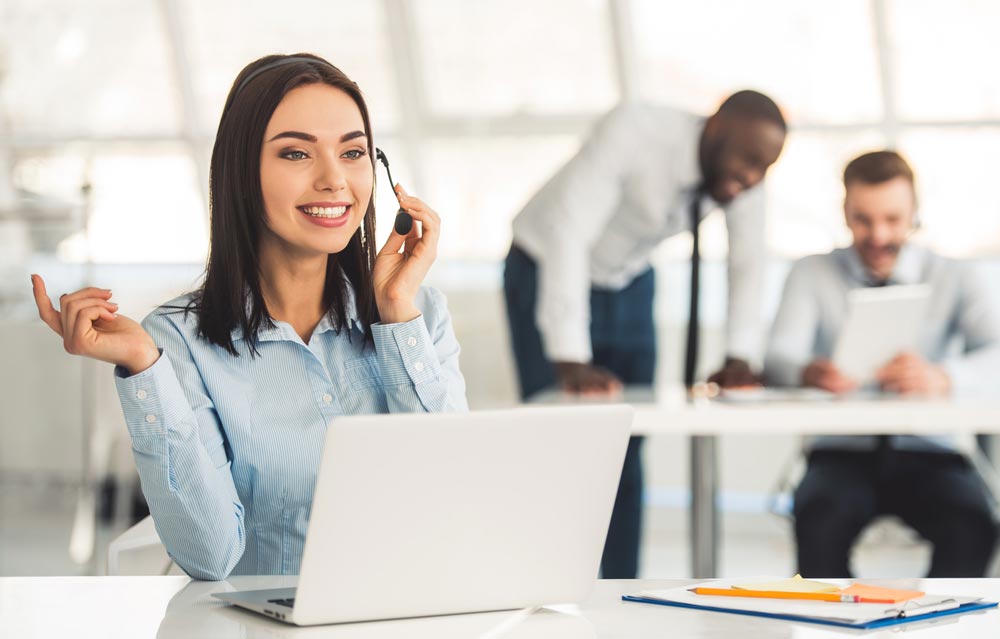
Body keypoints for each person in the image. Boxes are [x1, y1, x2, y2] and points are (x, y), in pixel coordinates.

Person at [30, 54, 467, 580]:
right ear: (241, 172)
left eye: (352, 152)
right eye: (296, 153)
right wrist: (146, 368)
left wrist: (397, 316)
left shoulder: (421, 314)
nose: (334, 180)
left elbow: (452, 502)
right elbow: (211, 555)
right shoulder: (178, 342)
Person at [504, 91, 787, 577]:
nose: (753, 179)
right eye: (749, 162)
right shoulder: (637, 130)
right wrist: (570, 354)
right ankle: (546, 584)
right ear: (715, 130)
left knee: (628, 438)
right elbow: (568, 232)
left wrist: (741, 355)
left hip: (630, 278)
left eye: (765, 168)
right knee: (556, 436)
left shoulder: (743, 177)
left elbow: (748, 264)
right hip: (545, 264)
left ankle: (616, 594)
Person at [764, 150, 1000, 577]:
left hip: (933, 453)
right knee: (819, 521)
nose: (878, 235)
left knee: (972, 524)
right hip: (839, 454)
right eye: (863, 220)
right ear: (844, 213)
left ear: (915, 214)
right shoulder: (812, 273)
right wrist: (809, 372)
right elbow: (779, 357)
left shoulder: (954, 274)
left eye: (893, 220)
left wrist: (942, 376)